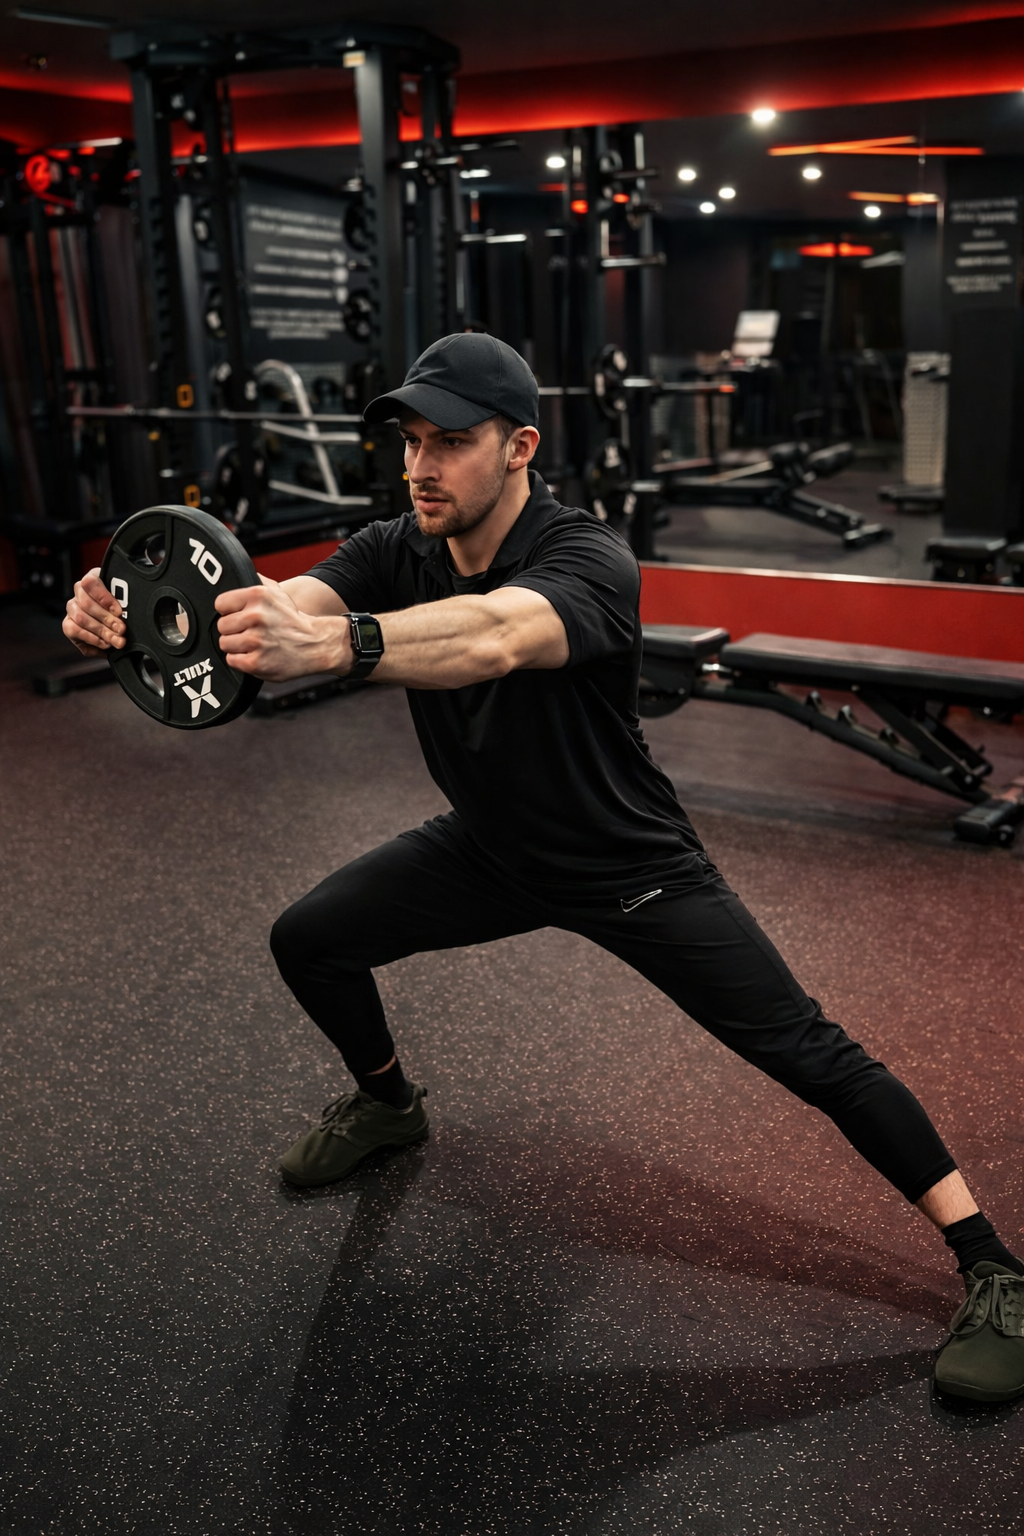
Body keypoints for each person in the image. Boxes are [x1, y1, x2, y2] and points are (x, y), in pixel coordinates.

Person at [64, 332, 1024, 1405]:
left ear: (519, 447)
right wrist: (142, 616)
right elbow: (288, 610)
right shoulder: (397, 542)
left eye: (453, 443)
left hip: (628, 863)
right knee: (310, 939)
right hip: (489, 848)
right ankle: (388, 1106)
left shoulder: (587, 559)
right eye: (411, 442)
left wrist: (347, 650)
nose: (422, 467)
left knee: (811, 1054)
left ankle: (991, 1264)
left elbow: (492, 637)